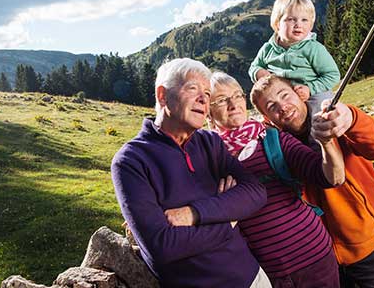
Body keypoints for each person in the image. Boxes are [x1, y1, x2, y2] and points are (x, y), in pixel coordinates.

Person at [111, 58, 271, 288]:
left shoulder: (210, 143)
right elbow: (162, 247)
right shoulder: (130, 161)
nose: (204, 98)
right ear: (163, 95)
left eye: (207, 92)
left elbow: (256, 192)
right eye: (192, 88)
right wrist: (229, 219)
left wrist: (195, 214)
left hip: (254, 278)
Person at [250, 75, 374, 288]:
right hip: (321, 259)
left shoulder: (335, 118)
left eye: (285, 96)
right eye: (272, 106)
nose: (283, 107)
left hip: (370, 245)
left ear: (299, 93)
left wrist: (351, 118)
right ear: (267, 118)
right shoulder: (273, 149)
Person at [205, 71, 345, 288]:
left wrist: (326, 144)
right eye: (222, 100)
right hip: (266, 275)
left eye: (237, 95)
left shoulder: (273, 138)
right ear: (208, 112)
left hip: (315, 258)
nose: (234, 104)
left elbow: (332, 178)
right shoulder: (208, 160)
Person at [248, 0, 340, 115]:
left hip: (312, 96)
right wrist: (258, 72)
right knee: (269, 112)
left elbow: (332, 75)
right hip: (281, 98)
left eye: (304, 20)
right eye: (291, 19)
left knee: (321, 109)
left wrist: (310, 88)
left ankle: (322, 133)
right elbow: (254, 67)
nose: (298, 25)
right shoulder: (268, 49)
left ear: (311, 25)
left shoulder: (314, 48)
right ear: (277, 24)